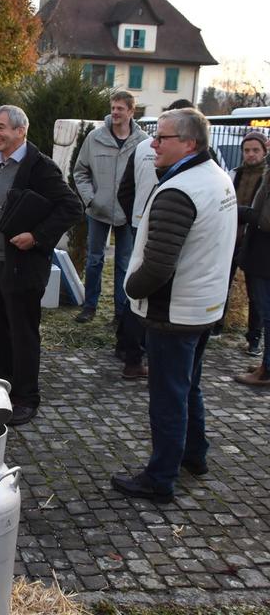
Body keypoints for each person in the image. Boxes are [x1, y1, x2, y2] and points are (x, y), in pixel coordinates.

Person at [111, 108, 237, 503]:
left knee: (168, 397)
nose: (153, 144)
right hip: (203, 306)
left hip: (174, 312)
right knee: (187, 386)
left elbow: (159, 264)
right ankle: (194, 455)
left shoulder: (179, 191)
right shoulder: (217, 177)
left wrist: (131, 288)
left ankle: (160, 477)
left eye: (162, 137)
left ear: (190, 143)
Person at [0, 105, 82, 426]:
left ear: (21, 131)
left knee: (23, 334)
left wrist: (37, 236)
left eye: (2, 127)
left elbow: (72, 206)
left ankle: (26, 398)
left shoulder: (39, 167)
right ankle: (0, 391)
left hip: (22, 267)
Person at [116, 99, 196, 379]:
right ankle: (136, 353)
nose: (157, 142)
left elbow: (124, 190)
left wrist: (134, 216)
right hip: (157, 226)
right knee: (147, 289)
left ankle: (127, 349)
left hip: (140, 223)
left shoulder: (140, 148)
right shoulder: (170, 161)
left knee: (136, 288)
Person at [73, 91, 148, 324]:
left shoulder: (143, 141)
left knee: (124, 264)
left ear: (131, 112)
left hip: (128, 213)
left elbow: (146, 176)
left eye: (120, 109)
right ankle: (89, 306)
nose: (115, 112)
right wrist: (91, 198)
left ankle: (120, 312)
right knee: (94, 259)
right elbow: (80, 171)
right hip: (98, 210)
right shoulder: (95, 138)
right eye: (113, 107)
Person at [212, 131, 268, 352]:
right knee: (221, 283)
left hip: (254, 240)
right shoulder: (234, 173)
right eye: (246, 150)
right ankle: (216, 325)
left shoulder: (267, 176)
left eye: (255, 150)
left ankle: (254, 338)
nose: (250, 154)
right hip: (231, 236)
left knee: (255, 293)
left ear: (264, 152)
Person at [234, 152, 270, 385]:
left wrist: (241, 211)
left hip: (264, 255)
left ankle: (267, 371)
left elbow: (265, 219)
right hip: (261, 254)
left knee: (267, 314)